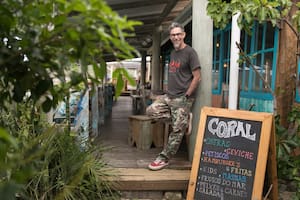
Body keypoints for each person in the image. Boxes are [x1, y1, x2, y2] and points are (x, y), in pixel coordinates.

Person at [146, 22, 201, 170]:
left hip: (183, 97)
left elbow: (197, 77)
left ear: (183, 35)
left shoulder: (190, 53)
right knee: (151, 111)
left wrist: (187, 95)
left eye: (178, 34)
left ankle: (164, 158)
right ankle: (183, 120)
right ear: (170, 37)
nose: (176, 37)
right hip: (169, 96)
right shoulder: (172, 53)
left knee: (177, 131)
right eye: (173, 35)